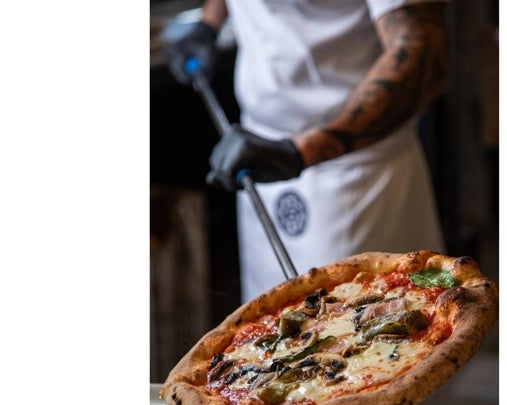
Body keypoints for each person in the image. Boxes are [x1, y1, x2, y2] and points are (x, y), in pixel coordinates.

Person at [167, 0, 450, 303]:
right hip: (257, 152)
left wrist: (300, 151)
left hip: (351, 174)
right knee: (266, 337)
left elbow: (424, 57)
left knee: (359, 336)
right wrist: (210, 22)